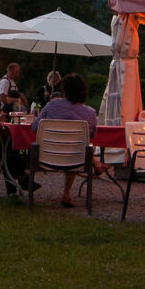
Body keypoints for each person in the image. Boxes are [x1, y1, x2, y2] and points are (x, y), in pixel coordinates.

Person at [36, 71, 99, 208]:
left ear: (65, 89)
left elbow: (35, 126)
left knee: (72, 147)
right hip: (75, 159)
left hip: (47, 156)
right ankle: (66, 193)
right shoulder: (91, 112)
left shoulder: (52, 105)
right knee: (76, 147)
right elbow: (93, 135)